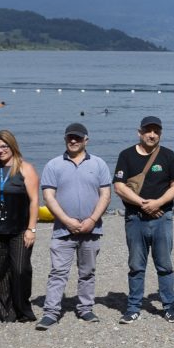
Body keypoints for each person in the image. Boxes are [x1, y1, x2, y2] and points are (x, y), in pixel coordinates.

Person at [37, 123, 112, 329]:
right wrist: (67, 221)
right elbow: (48, 197)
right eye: (70, 137)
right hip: (62, 230)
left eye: (78, 138)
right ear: (65, 139)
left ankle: (85, 309)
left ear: (86, 140)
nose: (73, 141)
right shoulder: (53, 165)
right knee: (58, 272)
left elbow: (105, 195)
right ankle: (51, 312)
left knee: (87, 272)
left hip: (92, 229)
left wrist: (92, 220)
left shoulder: (98, 164)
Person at [113, 116, 174, 324]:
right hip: (135, 218)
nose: (152, 135)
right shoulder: (126, 155)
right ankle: (133, 307)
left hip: (163, 218)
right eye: (148, 131)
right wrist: (144, 203)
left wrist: (158, 203)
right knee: (136, 265)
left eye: (156, 131)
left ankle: (169, 308)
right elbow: (119, 186)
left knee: (164, 265)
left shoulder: (168, 156)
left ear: (160, 133)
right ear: (140, 132)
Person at [0, 130, 39, 323]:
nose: (0, 150)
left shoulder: (25, 169)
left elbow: (34, 201)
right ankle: (7, 311)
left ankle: (23, 308)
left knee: (21, 269)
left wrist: (31, 229)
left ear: (12, 146)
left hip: (19, 229)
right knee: (0, 271)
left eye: (4, 146)